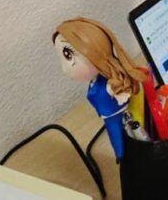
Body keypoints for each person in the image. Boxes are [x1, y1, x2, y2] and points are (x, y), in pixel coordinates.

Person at [53, 17, 146, 161]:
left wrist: (121, 95)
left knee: (119, 135)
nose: (64, 69)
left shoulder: (110, 83)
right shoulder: (97, 81)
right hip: (108, 116)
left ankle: (123, 157)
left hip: (116, 116)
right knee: (116, 135)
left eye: (68, 55)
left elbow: (122, 92)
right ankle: (124, 156)